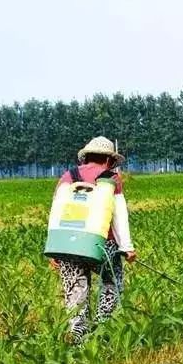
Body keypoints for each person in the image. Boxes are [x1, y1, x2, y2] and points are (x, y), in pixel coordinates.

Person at [50, 136, 136, 342]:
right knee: (111, 284)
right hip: (101, 244)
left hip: (67, 244)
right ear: (108, 160)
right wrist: (127, 247)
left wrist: (54, 249)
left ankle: (77, 335)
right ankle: (101, 329)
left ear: (86, 157)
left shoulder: (67, 177)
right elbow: (119, 215)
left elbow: (56, 211)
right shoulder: (111, 178)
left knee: (76, 290)